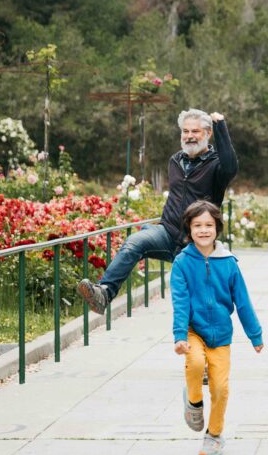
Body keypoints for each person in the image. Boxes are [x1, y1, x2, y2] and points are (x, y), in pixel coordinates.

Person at [77, 109, 237, 314]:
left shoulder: (217, 166)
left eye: (195, 131)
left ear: (207, 133)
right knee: (135, 242)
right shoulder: (175, 161)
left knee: (194, 304)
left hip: (196, 242)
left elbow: (231, 167)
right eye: (185, 131)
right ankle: (105, 293)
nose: (189, 136)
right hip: (167, 232)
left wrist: (221, 125)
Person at [171, 200, 263, 455]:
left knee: (221, 388)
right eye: (197, 225)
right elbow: (180, 302)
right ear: (189, 229)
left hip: (221, 335)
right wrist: (180, 336)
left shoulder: (229, 262)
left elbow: (242, 301)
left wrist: (255, 334)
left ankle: (214, 435)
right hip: (193, 330)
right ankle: (194, 401)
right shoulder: (182, 263)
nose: (203, 230)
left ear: (217, 229)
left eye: (208, 225)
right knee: (196, 363)